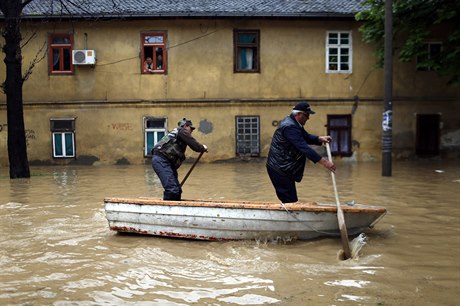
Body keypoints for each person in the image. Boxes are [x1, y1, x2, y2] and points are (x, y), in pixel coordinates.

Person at [266, 102, 336, 203]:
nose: (308, 118)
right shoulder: (290, 126)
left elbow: (305, 136)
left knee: (291, 199)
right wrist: (324, 162)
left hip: (284, 167)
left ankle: (291, 214)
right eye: (306, 115)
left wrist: (319, 139)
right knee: (290, 200)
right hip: (279, 168)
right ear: (299, 114)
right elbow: (303, 147)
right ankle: (290, 216)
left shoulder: (294, 123)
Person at [152, 118, 208, 201]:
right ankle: (168, 209)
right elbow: (194, 145)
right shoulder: (182, 131)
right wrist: (202, 147)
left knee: (177, 190)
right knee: (173, 190)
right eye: (191, 128)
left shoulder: (174, 133)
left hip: (165, 162)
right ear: (186, 126)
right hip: (162, 160)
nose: (191, 131)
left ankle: (173, 206)